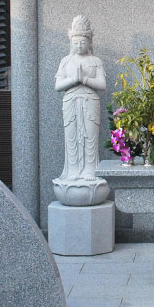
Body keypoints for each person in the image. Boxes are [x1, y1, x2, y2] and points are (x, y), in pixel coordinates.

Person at [54, 15, 107, 183]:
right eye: (76, 42)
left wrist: (84, 79)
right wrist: (73, 80)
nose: (79, 46)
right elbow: (58, 86)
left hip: (90, 102)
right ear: (71, 42)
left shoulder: (95, 61)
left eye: (82, 42)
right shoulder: (66, 61)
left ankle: (90, 170)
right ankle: (73, 170)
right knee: (72, 137)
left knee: (90, 137)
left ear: (89, 42)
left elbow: (102, 85)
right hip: (70, 102)